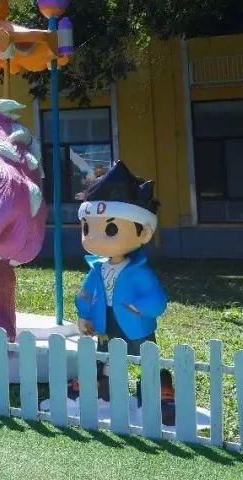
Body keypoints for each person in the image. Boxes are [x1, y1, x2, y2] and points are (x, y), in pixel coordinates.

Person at [72, 161, 175, 425]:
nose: (94, 238)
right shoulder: (97, 269)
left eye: (110, 229)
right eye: (87, 228)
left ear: (143, 232)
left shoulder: (139, 271)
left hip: (134, 322)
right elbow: (85, 295)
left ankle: (156, 394)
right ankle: (103, 391)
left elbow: (157, 299)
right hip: (104, 319)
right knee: (106, 356)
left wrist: (138, 307)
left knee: (145, 357)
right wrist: (84, 315)